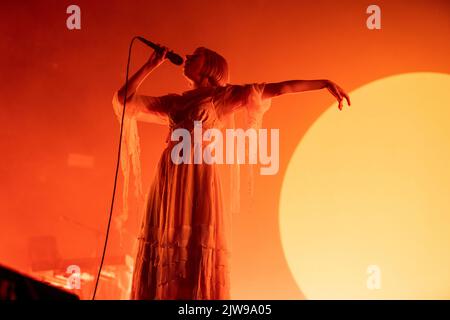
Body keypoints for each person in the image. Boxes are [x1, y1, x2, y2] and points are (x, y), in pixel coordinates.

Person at [112, 45, 350, 300]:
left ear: (210, 67)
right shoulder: (176, 101)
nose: (188, 57)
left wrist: (323, 83)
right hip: (169, 174)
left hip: (198, 173)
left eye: (196, 55)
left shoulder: (222, 97)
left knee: (193, 240)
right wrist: (150, 65)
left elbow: (280, 88)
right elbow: (124, 100)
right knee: (165, 237)